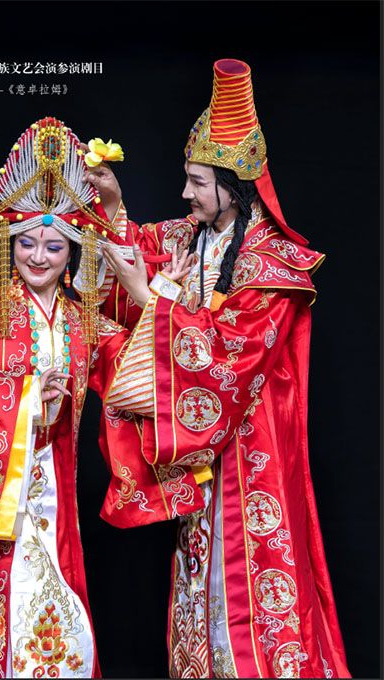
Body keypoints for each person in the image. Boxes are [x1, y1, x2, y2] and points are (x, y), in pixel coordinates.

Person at [0, 116, 193, 679]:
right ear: (10, 245)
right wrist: (23, 399)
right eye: (27, 243)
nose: (38, 256)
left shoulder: (84, 323)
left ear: (71, 251)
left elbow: (143, 370)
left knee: (57, 627)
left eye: (54, 246)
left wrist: (164, 295)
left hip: (54, 498)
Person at [100, 59, 350, 678]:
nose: (185, 194)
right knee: (199, 587)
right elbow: (138, 250)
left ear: (234, 188)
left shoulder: (271, 267)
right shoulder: (196, 235)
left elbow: (229, 357)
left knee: (249, 597)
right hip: (203, 460)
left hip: (249, 454)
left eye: (197, 182)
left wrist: (149, 297)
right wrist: (112, 205)